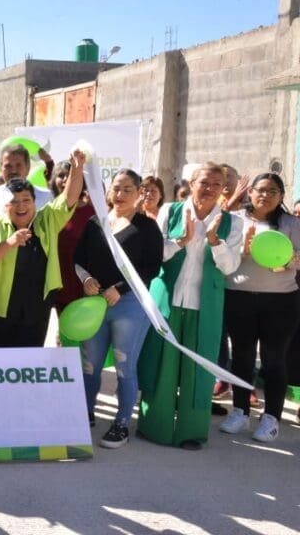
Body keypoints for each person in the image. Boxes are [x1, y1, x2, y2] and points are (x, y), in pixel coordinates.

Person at [137, 162, 243, 450]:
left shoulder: (232, 222)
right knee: (161, 363)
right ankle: (154, 426)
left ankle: (190, 432)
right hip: (167, 299)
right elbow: (156, 254)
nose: (209, 189)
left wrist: (216, 242)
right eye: (204, 182)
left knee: (197, 369)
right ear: (192, 184)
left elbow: (230, 267)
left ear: (223, 189)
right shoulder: (169, 211)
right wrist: (181, 241)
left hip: (204, 304)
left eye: (216, 184)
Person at [74, 169, 163, 448]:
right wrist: (86, 279)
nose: (120, 194)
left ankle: (121, 423)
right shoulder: (95, 222)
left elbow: (151, 268)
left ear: (139, 193)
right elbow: (78, 259)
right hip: (94, 306)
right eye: (116, 188)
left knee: (125, 366)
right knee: (90, 365)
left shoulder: (147, 227)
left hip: (130, 306)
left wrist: (120, 288)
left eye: (127, 189)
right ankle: (85, 413)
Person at [218, 173, 300, 442]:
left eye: (273, 191)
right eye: (261, 190)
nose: (265, 195)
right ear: (250, 192)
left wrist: (286, 261)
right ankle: (240, 411)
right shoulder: (234, 220)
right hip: (238, 297)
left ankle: (271, 418)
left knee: (274, 359)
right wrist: (243, 250)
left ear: (281, 196)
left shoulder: (291, 223)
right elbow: (219, 253)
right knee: (241, 357)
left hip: (281, 301)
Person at [0, 150, 85, 348]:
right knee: (1, 360)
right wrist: (10, 242)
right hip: (0, 306)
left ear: (34, 202)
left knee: (32, 358)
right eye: (14, 201)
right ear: (5, 205)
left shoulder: (46, 219)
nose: (21, 206)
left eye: (26, 200)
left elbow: (68, 198)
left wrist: (77, 170)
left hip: (37, 306)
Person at [51, 160, 95, 314]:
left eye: (70, 175)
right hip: (57, 282)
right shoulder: (48, 212)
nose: (65, 180)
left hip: (84, 283)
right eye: (60, 175)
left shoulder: (91, 213)